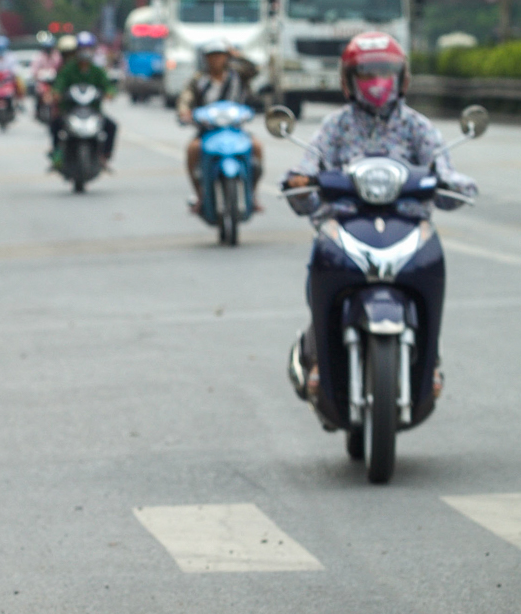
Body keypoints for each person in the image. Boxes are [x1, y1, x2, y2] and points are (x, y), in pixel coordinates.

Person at [283, 31, 477, 395]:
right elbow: (307, 167)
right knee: (321, 268)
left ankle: (429, 356)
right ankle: (320, 359)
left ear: (402, 78)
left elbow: (445, 172)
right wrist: (298, 181)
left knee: (431, 266)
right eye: (367, 74)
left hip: (406, 223)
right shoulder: (335, 126)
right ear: (348, 80)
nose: (377, 83)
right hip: (343, 223)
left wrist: (454, 185)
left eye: (385, 73)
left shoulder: (418, 126)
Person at [177, 38, 264, 212]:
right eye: (212, 56)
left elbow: (255, 69)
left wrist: (237, 55)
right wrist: (184, 112)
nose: (216, 60)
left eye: (220, 55)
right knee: (193, 150)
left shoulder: (237, 75)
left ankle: (252, 195)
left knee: (256, 147)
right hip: (208, 131)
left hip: (236, 130)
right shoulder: (199, 81)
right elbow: (185, 99)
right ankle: (200, 196)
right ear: (206, 59)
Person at [49, 32, 117, 163]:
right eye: (82, 48)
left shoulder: (97, 70)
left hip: (93, 111)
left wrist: (110, 92)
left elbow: (107, 85)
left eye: (88, 48)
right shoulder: (69, 69)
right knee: (55, 124)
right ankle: (57, 153)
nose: (85, 52)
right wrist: (56, 92)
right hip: (71, 110)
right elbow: (59, 83)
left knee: (111, 126)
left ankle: (105, 155)